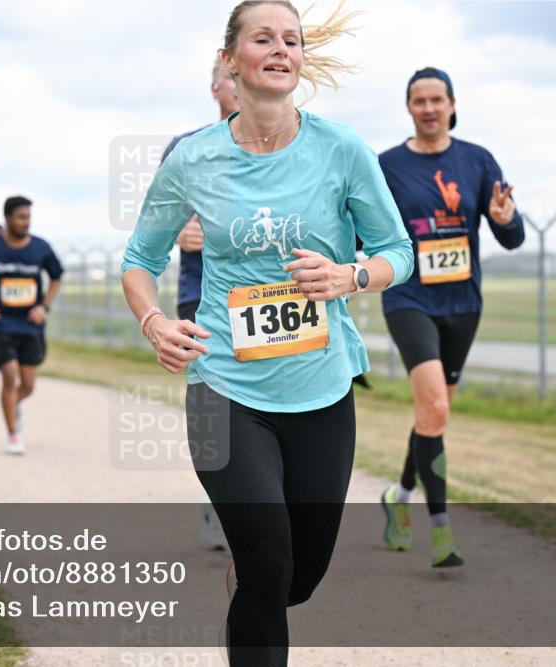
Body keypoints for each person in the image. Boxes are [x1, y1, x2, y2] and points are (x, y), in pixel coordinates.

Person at [121, 2, 412, 664]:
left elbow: (399, 252)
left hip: (321, 388)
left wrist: (349, 275)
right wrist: (154, 321)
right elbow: (139, 260)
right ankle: (254, 582)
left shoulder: (342, 149)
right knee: (267, 561)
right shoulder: (193, 158)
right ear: (231, 60)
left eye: (292, 40)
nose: (282, 49)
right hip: (222, 388)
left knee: (297, 577)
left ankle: (255, 583)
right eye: (263, 38)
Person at [377, 67, 524, 568]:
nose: (429, 108)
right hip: (409, 299)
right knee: (436, 406)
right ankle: (440, 529)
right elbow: (362, 230)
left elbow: (513, 238)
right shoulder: (387, 166)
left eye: (437, 99)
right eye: (419, 100)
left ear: (452, 105)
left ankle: (398, 495)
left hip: (463, 305)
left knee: (433, 415)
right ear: (409, 108)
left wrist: (505, 219)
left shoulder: (477, 161)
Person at [163, 54, 240, 554]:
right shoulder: (187, 148)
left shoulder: (283, 144)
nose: (240, 85)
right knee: (216, 405)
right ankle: (218, 506)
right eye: (230, 78)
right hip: (202, 295)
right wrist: (179, 233)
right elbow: (157, 220)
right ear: (215, 90)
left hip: (267, 298)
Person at [0, 196, 63, 455]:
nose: (26, 222)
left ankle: (12, 404)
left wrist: (44, 307)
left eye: (28, 217)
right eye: (21, 217)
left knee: (28, 385)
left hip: (31, 325)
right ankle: (13, 435)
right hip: (2, 324)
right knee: (9, 374)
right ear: (8, 218)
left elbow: (56, 277)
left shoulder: (41, 247)